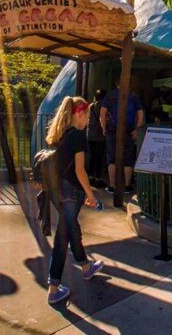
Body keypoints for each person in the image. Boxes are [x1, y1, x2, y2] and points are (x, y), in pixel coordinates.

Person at [44, 96, 104, 305]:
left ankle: (86, 268)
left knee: (71, 228)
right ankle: (53, 287)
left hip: (56, 190)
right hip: (71, 192)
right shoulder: (78, 136)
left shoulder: (60, 134)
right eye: (87, 115)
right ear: (80, 113)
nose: (88, 120)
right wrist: (91, 195)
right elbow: (80, 170)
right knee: (63, 236)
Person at [100, 79, 144, 194]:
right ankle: (128, 186)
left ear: (116, 84)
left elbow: (102, 112)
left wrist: (104, 128)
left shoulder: (110, 95)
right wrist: (137, 130)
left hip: (112, 131)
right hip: (128, 131)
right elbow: (140, 113)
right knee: (128, 159)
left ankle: (112, 186)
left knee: (111, 158)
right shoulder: (133, 96)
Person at [86, 88, 107, 187]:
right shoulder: (103, 106)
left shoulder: (91, 106)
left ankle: (91, 177)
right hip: (100, 135)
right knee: (99, 158)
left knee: (92, 157)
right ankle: (98, 179)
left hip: (90, 135)